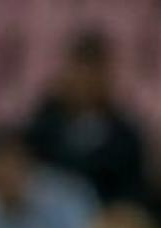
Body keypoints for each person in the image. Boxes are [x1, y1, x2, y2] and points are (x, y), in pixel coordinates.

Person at [24, 30, 149, 206]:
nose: (83, 82)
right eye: (78, 72)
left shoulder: (126, 137)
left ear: (106, 78)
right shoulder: (42, 126)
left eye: (92, 74)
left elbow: (132, 196)